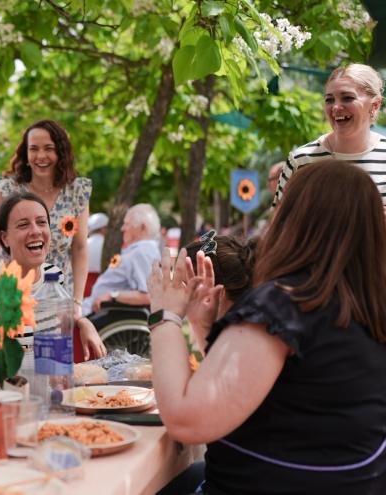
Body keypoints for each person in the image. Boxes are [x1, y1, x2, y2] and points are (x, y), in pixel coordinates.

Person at [149, 159, 386, 494]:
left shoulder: (285, 305)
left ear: (297, 222)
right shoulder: (362, 310)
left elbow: (187, 421)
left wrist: (165, 315)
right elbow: (277, 398)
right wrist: (205, 330)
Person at [0, 192, 106, 361]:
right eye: (23, 225)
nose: (35, 231)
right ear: (5, 238)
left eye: (42, 222)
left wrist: (83, 322)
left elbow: (60, 319)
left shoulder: (54, 275)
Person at [0, 120, 91, 317]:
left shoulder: (77, 191)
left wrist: (77, 302)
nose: (41, 156)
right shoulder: (5, 191)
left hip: (58, 299)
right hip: (11, 297)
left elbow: (80, 248)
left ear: (61, 152)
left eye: (49, 148)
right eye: (34, 149)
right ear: (26, 154)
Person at [274, 63, 385, 206]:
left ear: (375, 105)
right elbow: (280, 223)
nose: (336, 107)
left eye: (347, 98)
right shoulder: (301, 160)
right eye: (329, 100)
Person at [89, 204, 161, 312]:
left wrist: (112, 295)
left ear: (142, 227)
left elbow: (148, 295)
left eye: (127, 224)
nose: (122, 228)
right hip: (96, 308)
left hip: (104, 312)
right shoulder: (136, 251)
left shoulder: (142, 252)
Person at [81, 212, 108, 314]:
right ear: (103, 228)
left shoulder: (84, 245)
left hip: (83, 286)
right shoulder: (107, 246)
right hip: (102, 287)